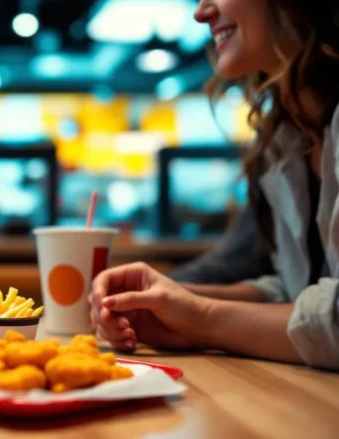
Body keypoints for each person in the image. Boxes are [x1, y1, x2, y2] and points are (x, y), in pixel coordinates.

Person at [91, 0, 339, 370]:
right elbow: (299, 293)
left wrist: (204, 319)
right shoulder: (285, 138)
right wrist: (168, 301)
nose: (201, 11)